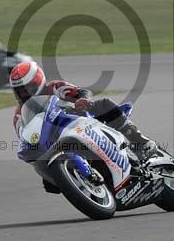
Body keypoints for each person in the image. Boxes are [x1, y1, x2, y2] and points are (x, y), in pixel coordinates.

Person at [9, 61, 157, 164]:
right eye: (19, 90)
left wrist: (84, 100)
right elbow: (25, 139)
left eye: (27, 88)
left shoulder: (53, 87)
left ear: (39, 81)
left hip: (78, 120)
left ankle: (141, 142)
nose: (24, 93)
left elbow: (82, 92)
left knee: (104, 104)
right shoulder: (18, 116)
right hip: (54, 143)